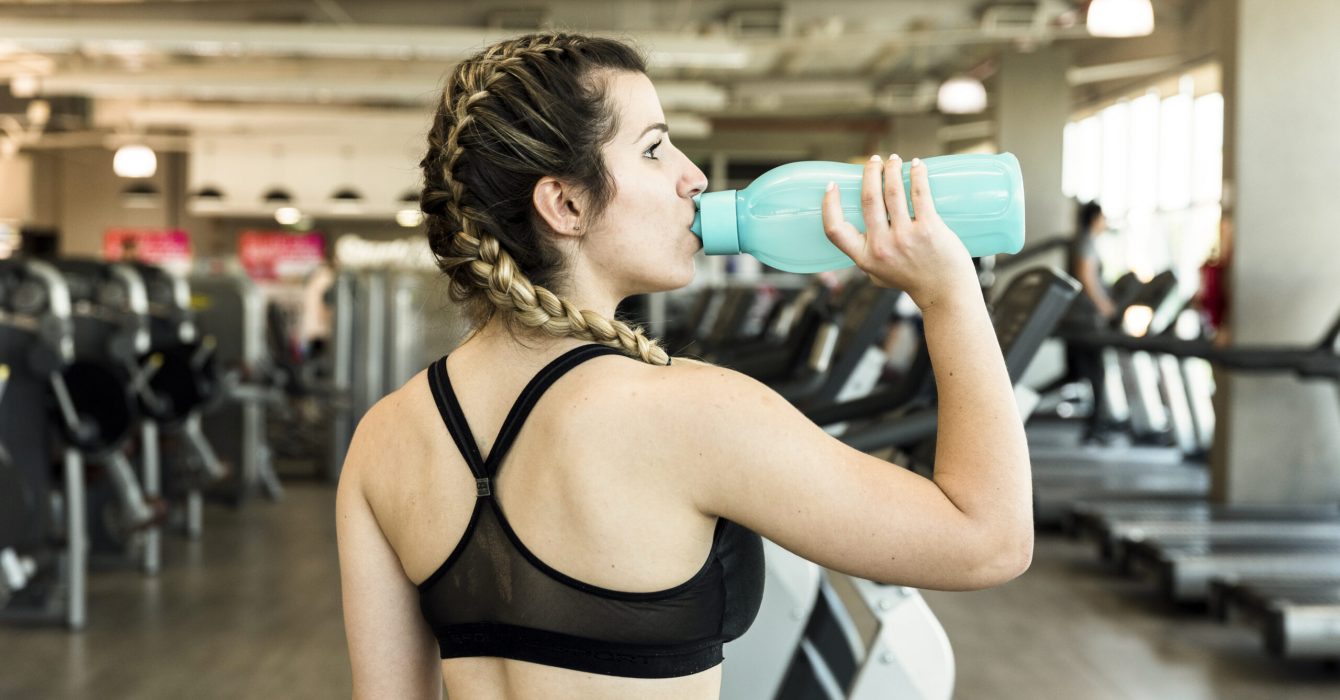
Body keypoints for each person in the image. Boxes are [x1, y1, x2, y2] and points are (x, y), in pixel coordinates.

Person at [336, 32, 1031, 700]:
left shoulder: (383, 437)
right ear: (567, 204)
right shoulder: (692, 412)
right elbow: (988, 541)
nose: (693, 177)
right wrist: (948, 293)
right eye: (655, 149)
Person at [1059, 200, 1119, 443]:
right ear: (1095, 219)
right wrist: (1105, 307)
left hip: (1076, 318)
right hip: (1085, 321)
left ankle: (1096, 425)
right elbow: (1086, 275)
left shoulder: (1077, 240)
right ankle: (1097, 427)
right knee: (1095, 374)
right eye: (1103, 218)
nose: (1105, 223)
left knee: (1078, 373)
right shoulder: (1086, 242)